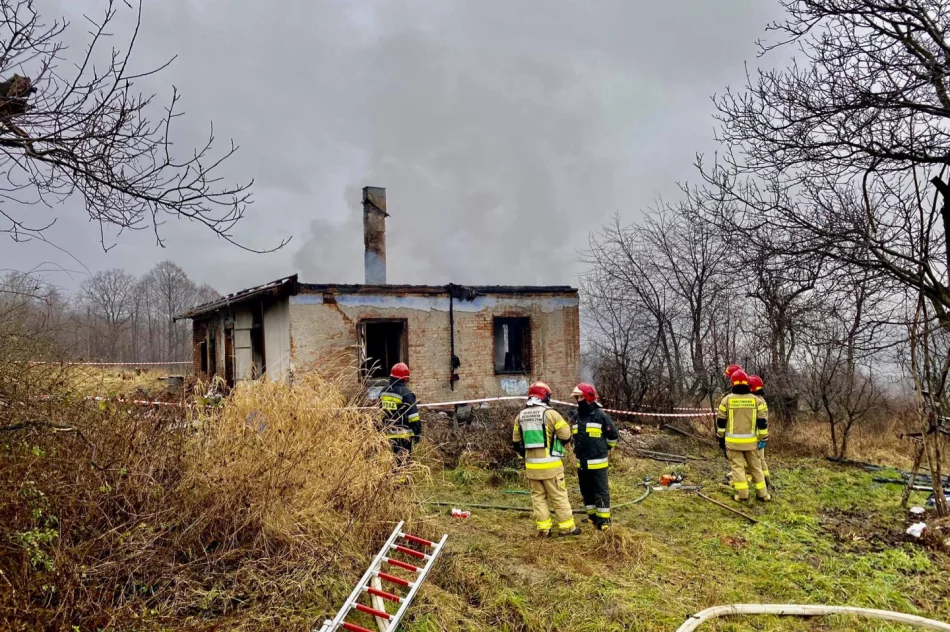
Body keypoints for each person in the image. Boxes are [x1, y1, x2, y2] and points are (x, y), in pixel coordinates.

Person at [512, 381, 581, 537]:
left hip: (531, 468)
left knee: (538, 498)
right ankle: (567, 529)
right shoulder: (551, 414)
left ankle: (544, 530)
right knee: (558, 496)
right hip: (551, 467)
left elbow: (516, 443)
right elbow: (566, 436)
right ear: (545, 396)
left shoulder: (520, 416)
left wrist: (526, 456)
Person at [716, 370, 771, 502]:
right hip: (752, 444)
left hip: (733, 444)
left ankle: (742, 496)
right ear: (747, 382)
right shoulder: (756, 400)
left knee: (738, 468)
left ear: (732, 383)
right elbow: (762, 423)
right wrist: (763, 438)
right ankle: (763, 495)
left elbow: (721, 422)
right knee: (756, 468)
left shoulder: (726, 400)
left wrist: (720, 437)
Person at [570, 383, 618, 531]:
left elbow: (613, 436)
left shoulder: (600, 415)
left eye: (580, 397)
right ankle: (592, 517)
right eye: (577, 397)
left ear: (588, 397)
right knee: (586, 491)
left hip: (598, 463)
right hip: (582, 463)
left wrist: (605, 448)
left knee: (600, 491)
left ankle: (604, 521)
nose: (577, 400)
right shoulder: (577, 416)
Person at [378, 362, 422, 466]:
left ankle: (389, 481)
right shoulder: (407, 393)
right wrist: (417, 433)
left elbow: (380, 412)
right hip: (403, 435)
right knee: (402, 462)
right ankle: (400, 481)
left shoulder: (383, 391)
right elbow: (414, 417)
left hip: (386, 434)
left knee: (389, 462)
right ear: (405, 378)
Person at [748, 375, 772, 490]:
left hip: (757, 435)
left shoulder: (757, 401)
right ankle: (767, 481)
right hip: (761, 434)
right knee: (761, 459)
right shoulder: (761, 399)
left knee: (758, 460)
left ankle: (764, 484)